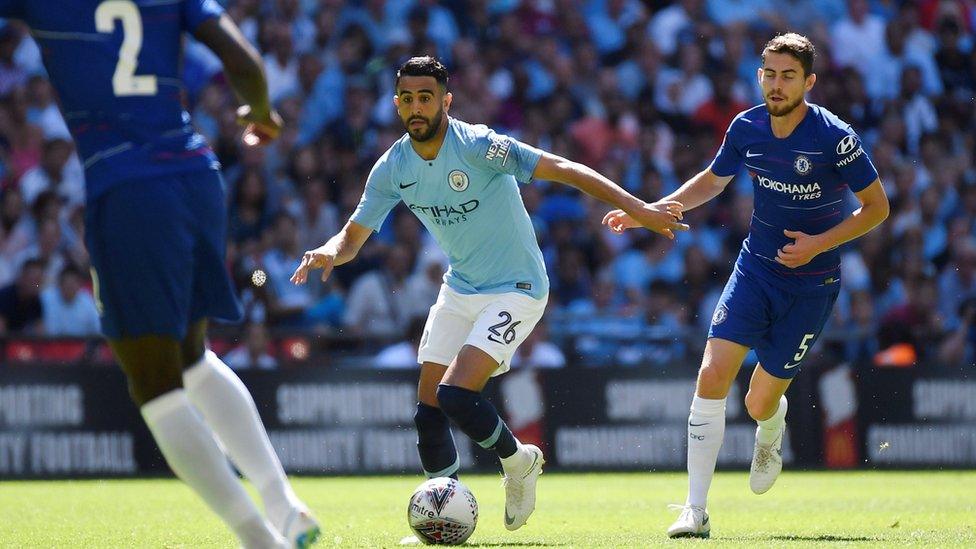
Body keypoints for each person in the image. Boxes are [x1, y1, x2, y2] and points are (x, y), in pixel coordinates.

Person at [291, 56, 686, 532]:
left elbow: (562, 167)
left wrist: (639, 208)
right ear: (397, 105)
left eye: (426, 97)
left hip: (517, 288)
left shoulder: (479, 146)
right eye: (408, 99)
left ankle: (519, 463)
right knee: (428, 412)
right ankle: (441, 521)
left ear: (445, 101)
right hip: (461, 286)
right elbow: (353, 237)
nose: (417, 107)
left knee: (456, 394)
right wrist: (329, 252)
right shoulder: (393, 167)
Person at [0, 2, 318, 547]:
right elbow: (242, 60)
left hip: (128, 188)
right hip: (197, 177)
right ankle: (284, 502)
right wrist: (260, 113)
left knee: (154, 382)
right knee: (192, 356)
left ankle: (258, 539)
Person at [604, 33, 889, 538]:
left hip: (812, 283)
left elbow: (877, 209)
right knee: (713, 373)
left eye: (788, 76)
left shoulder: (835, 137)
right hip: (756, 270)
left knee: (758, 403)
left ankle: (770, 426)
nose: (777, 85)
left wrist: (818, 244)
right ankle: (695, 510)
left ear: (809, 82)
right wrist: (651, 209)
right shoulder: (746, 126)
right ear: (759, 75)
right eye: (770, 74)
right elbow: (713, 180)